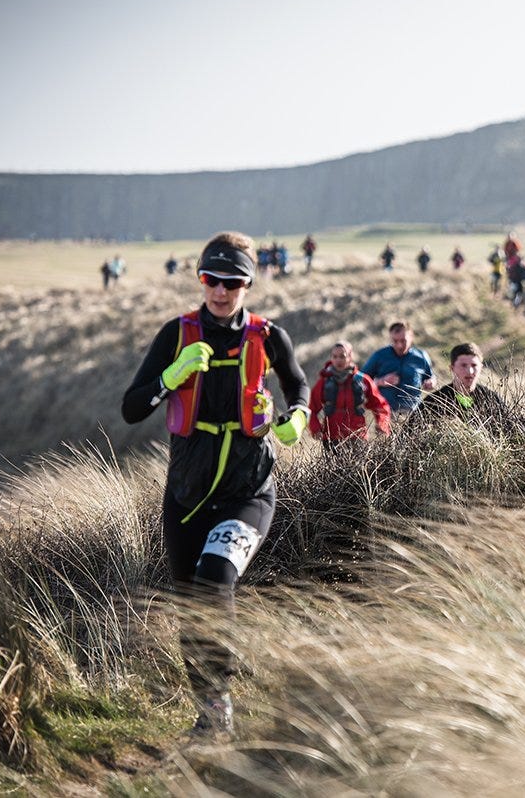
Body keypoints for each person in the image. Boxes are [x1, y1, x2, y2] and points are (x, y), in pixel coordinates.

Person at [121, 231, 309, 738]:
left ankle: (222, 693)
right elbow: (132, 407)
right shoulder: (176, 334)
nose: (220, 291)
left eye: (232, 282)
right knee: (191, 608)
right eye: (211, 279)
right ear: (200, 279)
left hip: (249, 490)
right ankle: (211, 709)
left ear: (248, 284)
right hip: (187, 492)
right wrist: (170, 377)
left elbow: (297, 383)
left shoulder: (269, 336)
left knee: (215, 577)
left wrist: (297, 416)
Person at [308, 340, 391, 451]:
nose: (338, 360)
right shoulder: (324, 381)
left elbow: (380, 405)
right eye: (334, 356)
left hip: (357, 437)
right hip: (331, 438)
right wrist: (316, 429)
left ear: (350, 356)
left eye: (342, 356)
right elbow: (311, 409)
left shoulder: (362, 380)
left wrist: (382, 425)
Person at [361, 321, 436, 414]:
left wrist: (431, 382)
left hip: (413, 413)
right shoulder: (379, 356)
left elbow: (431, 377)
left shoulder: (421, 356)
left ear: (411, 337)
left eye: (403, 341)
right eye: (395, 341)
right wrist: (380, 382)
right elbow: (360, 381)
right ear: (390, 338)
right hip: (384, 413)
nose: (399, 345)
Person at [420, 342, 507, 420]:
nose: (470, 371)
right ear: (452, 368)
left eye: (474, 365)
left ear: (481, 368)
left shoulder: (492, 400)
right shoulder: (434, 402)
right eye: (463, 365)